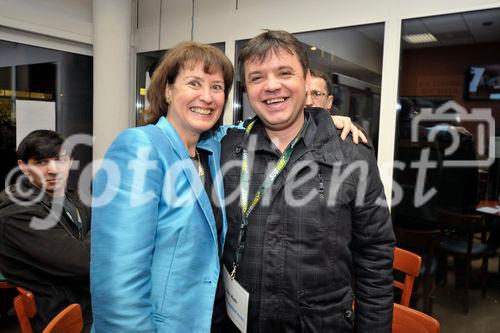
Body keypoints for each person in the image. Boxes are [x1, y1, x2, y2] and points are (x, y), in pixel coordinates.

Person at [91, 41, 365, 333]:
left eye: (217, 87)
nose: (207, 97)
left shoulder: (211, 149)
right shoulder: (140, 147)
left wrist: (321, 122)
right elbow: (118, 281)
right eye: (194, 83)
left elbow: (269, 121)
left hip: (213, 320)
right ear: (168, 90)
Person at [221, 30, 395, 332]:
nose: (271, 86)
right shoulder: (227, 151)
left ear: (306, 79)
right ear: (247, 90)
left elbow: (375, 258)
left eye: (284, 72)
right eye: (257, 77)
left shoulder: (351, 155)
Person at [0, 130, 91, 333]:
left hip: (85, 301)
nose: (53, 169)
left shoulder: (72, 198)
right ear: (23, 167)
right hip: (63, 317)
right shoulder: (17, 213)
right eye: (41, 162)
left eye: (60, 160)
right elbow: (81, 261)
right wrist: (110, 228)